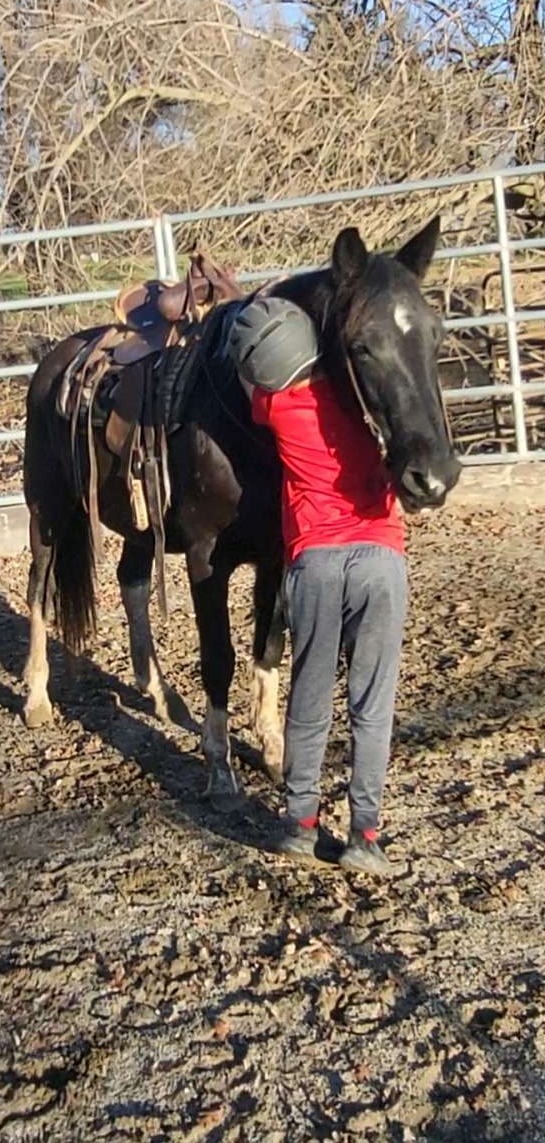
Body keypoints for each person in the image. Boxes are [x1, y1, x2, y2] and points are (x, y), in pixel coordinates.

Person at [228, 296, 407, 875]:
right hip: (380, 557)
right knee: (371, 705)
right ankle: (365, 835)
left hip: (315, 562)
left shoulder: (275, 406)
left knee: (308, 701)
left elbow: (244, 372)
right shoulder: (362, 394)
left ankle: (302, 825)